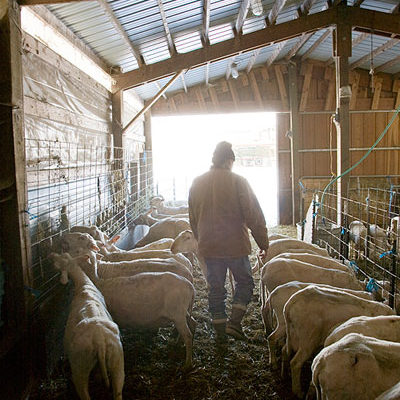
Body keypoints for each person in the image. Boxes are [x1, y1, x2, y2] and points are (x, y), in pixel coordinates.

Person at [188, 141, 269, 343]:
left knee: (215, 289)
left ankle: (220, 334)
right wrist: (263, 243)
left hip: (210, 246)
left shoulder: (197, 182)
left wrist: (201, 239)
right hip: (235, 246)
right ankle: (234, 323)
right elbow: (254, 215)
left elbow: (192, 216)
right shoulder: (238, 182)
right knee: (246, 282)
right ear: (229, 161)